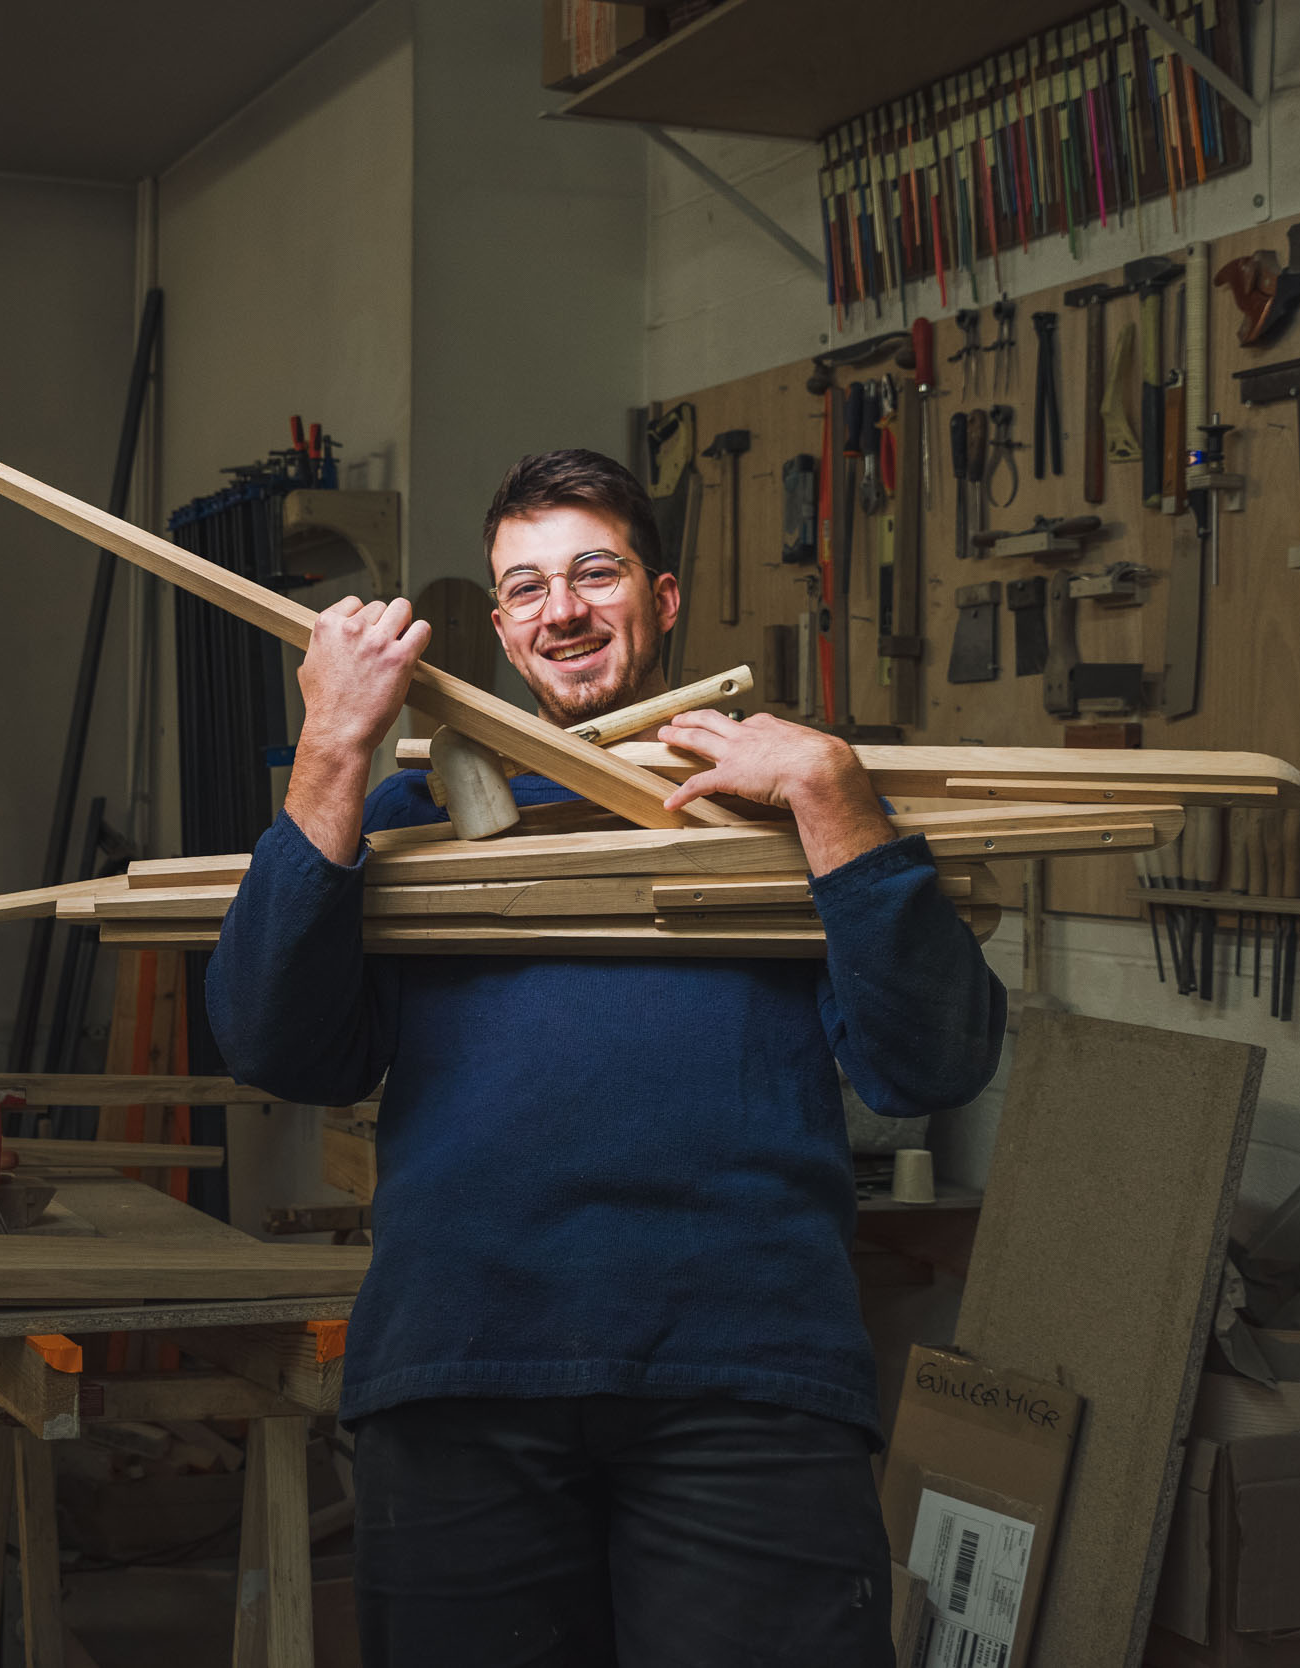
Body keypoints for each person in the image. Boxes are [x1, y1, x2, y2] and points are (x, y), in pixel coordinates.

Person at [204, 449, 1006, 1667]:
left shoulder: (784, 813)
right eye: (523, 588)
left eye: (594, 572)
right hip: (461, 1370)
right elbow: (275, 1047)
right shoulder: (411, 823)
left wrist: (835, 799)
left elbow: (933, 1065)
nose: (560, 610)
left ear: (664, 597)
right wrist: (333, 752)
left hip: (748, 1379)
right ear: (499, 622)